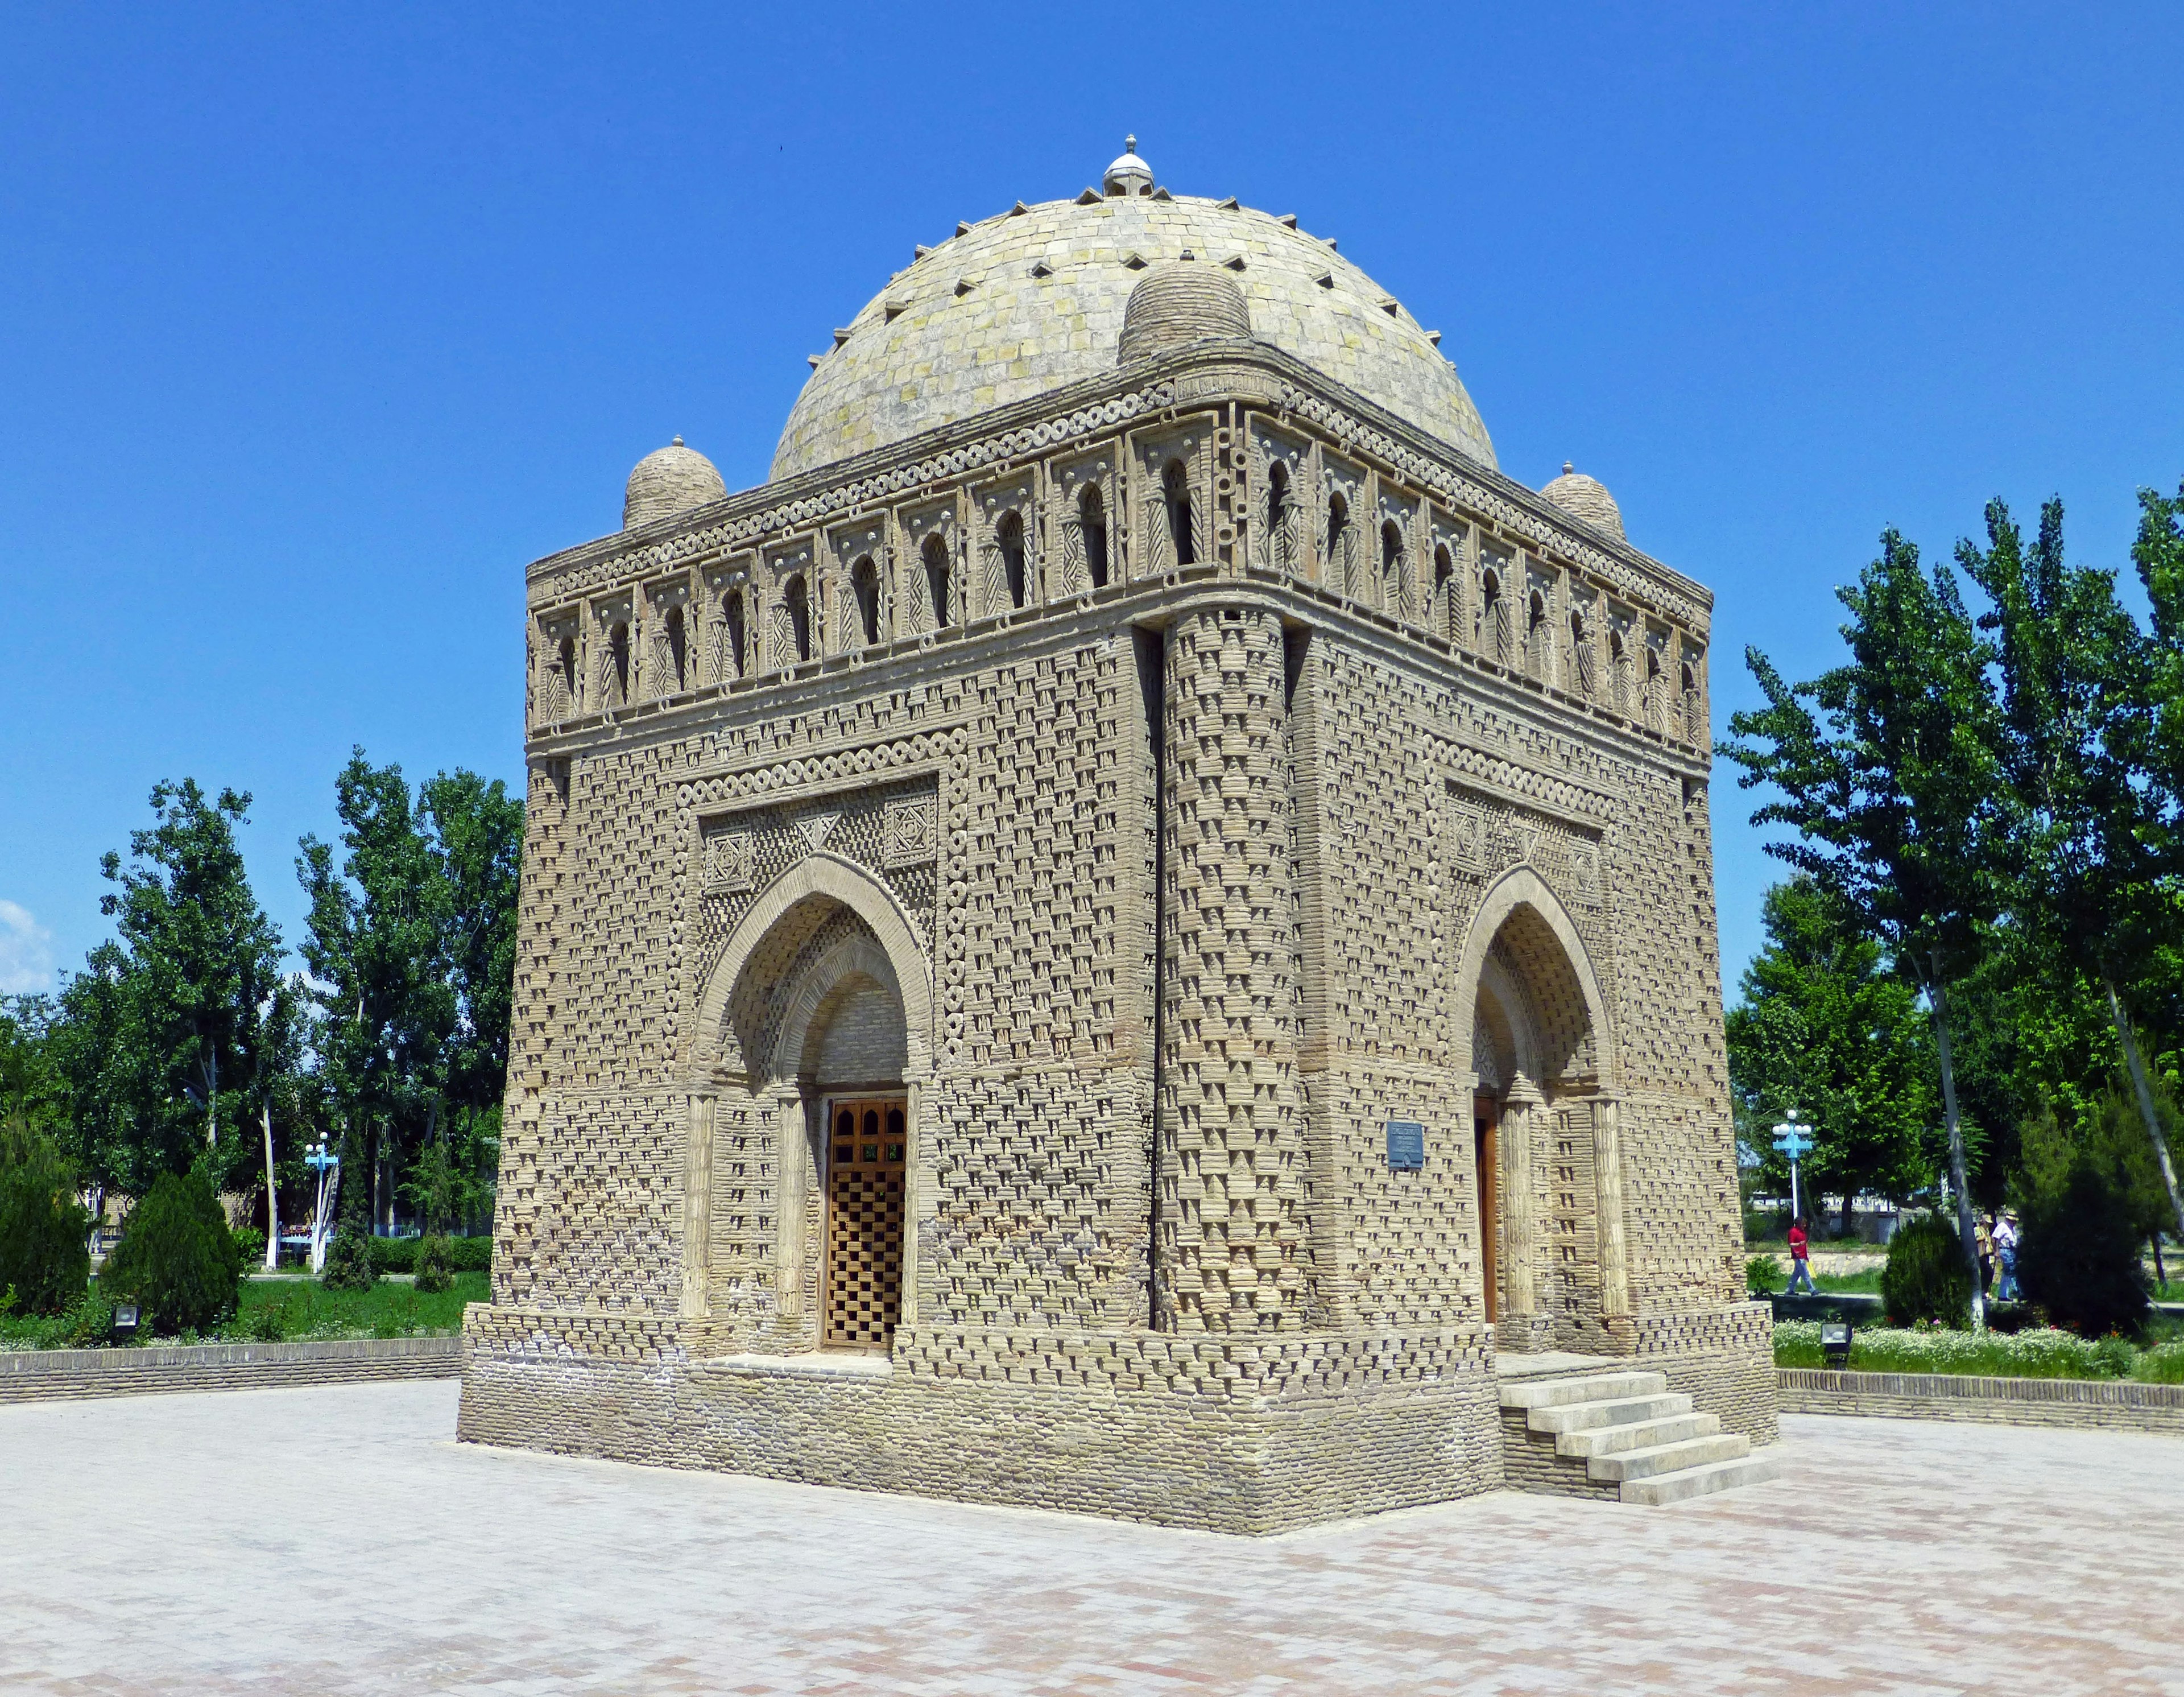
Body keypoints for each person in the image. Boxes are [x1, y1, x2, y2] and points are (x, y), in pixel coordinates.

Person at [1785, 1216, 1817, 1295]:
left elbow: (1804, 1245)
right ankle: (1812, 1290)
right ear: (1799, 1224)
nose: (1805, 1226)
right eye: (1803, 1224)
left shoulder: (1802, 1232)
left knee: (1796, 1275)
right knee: (1805, 1274)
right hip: (1798, 1256)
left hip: (1803, 1255)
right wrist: (1799, 1244)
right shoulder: (1793, 1231)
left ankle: (1789, 1290)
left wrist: (1806, 1256)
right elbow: (1791, 1244)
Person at [1993, 1209, 2020, 1302]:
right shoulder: (2002, 1226)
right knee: (2011, 1271)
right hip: (2005, 1250)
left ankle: (2003, 1294)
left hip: (2012, 1251)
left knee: (2006, 1273)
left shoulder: (2012, 1229)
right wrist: (1996, 1251)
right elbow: (1996, 1238)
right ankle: (2018, 1292)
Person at [1976, 1212, 1996, 1294]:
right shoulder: (1977, 1229)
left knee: (1988, 1273)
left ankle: (1985, 1290)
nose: (1988, 1225)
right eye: (1987, 1223)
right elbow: (1975, 1239)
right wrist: (1983, 1238)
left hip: (1987, 1254)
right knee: (1988, 1272)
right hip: (1981, 1254)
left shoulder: (1987, 1231)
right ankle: (1984, 1290)